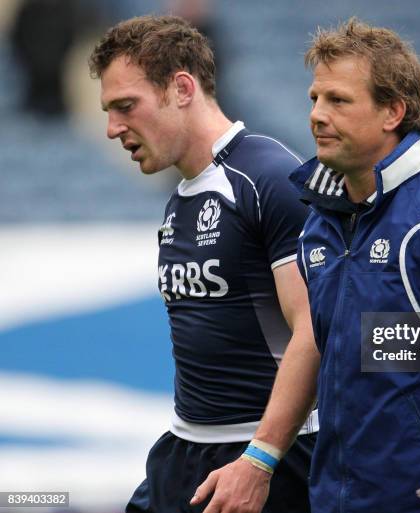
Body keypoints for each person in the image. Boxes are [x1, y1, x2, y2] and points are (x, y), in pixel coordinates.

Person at [192, 18, 420, 513]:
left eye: (339, 100)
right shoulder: (318, 226)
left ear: (393, 111)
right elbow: (321, 351)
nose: (317, 116)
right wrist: (261, 456)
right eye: (314, 99)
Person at [88, 15, 318, 513]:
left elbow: (313, 331)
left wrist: (261, 458)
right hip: (186, 447)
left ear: (182, 88)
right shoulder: (180, 200)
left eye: (126, 106)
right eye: (108, 111)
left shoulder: (268, 178)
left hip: (263, 457)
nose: (111, 129)